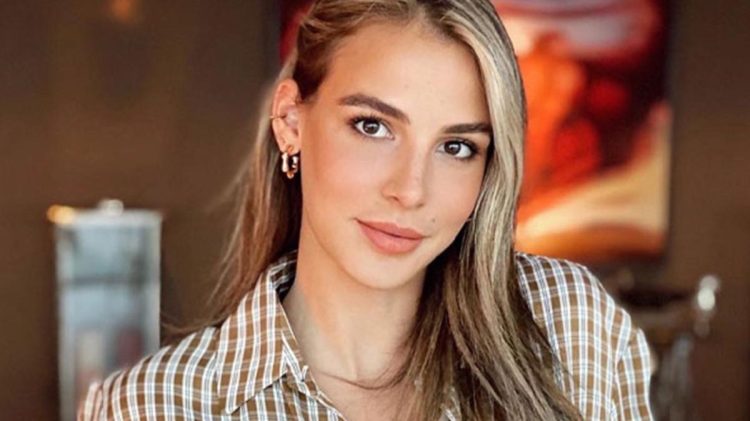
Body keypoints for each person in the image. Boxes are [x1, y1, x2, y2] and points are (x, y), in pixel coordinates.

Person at [78, 0, 653, 420]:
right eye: (373, 127)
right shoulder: (155, 405)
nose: (411, 190)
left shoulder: (573, 328)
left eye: (456, 147)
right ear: (291, 122)